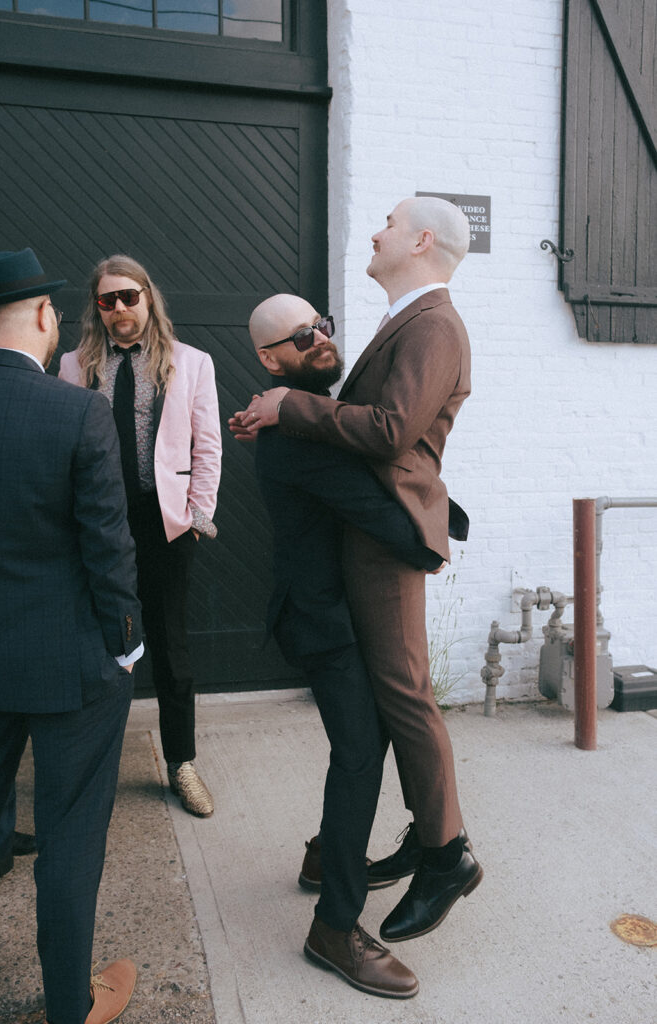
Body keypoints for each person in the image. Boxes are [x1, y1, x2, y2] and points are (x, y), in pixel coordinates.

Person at [233, 196, 482, 944]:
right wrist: (283, 409)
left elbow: (390, 431)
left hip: (386, 544)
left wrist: (287, 407)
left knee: (404, 696)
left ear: (419, 239)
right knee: (388, 703)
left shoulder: (433, 322)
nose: (375, 229)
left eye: (387, 221)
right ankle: (422, 838)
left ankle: (444, 856)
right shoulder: (406, 318)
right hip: (365, 548)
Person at [248, 292, 453, 998]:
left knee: (367, 747)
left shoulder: (309, 422)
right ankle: (333, 926)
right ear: (269, 360)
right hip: (323, 623)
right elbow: (398, 530)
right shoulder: (294, 437)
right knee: (362, 754)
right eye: (300, 338)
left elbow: (375, 449)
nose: (320, 340)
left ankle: (320, 858)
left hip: (337, 614)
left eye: (323, 326)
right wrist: (437, 521)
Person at [0, 247, 143, 1024]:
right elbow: (108, 545)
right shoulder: (78, 411)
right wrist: (126, 642)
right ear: (43, 319)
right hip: (72, 667)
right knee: (71, 839)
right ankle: (69, 1006)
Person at [60, 255, 221, 818]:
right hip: (97, 524)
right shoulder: (74, 364)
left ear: (148, 297)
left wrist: (198, 517)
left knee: (170, 646)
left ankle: (182, 763)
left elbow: (207, 446)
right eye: (107, 300)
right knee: (97, 644)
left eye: (128, 296)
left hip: (164, 524)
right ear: (97, 309)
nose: (119, 308)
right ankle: (88, 767)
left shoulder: (192, 363)